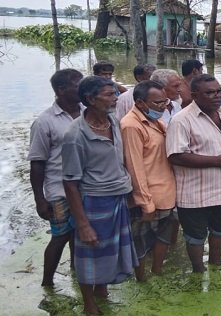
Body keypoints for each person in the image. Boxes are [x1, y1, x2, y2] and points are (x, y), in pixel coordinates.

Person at [62, 76, 136, 315]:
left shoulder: (112, 121)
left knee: (110, 250)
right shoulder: (75, 135)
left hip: (117, 196)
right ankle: (89, 304)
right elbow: (70, 183)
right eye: (109, 94)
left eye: (114, 93)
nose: (115, 98)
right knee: (89, 252)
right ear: (91, 99)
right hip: (94, 200)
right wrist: (82, 224)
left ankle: (101, 289)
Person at [167, 74, 221, 272]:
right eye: (209, 93)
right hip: (194, 194)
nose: (217, 96)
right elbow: (176, 156)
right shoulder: (181, 120)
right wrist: (216, 161)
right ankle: (198, 270)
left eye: (218, 91)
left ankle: (216, 261)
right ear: (195, 95)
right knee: (195, 236)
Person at [28, 69, 84, 287]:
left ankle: (76, 271)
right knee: (60, 235)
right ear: (61, 90)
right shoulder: (45, 122)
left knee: (80, 233)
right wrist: (39, 200)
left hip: (85, 187)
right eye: (77, 85)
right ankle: (47, 283)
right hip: (58, 190)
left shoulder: (87, 113)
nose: (82, 88)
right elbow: (37, 163)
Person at [121, 80, 177, 281]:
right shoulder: (131, 126)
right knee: (141, 241)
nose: (163, 107)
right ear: (140, 103)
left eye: (165, 102)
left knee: (163, 236)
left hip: (166, 192)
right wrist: (145, 201)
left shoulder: (157, 121)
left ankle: (158, 271)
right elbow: (134, 166)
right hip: (149, 196)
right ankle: (141, 278)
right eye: (158, 103)